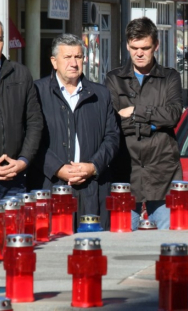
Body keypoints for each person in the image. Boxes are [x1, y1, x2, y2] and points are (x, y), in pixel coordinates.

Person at [27, 34, 119, 229]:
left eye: (78, 57)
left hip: (92, 190)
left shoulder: (100, 94)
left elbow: (112, 138)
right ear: (54, 61)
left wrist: (93, 166)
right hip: (50, 187)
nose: (73, 63)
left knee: (92, 250)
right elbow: (30, 140)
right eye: (67, 57)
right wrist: (58, 168)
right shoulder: (36, 92)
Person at [106, 17, 183, 229]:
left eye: (145, 48)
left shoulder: (170, 77)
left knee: (172, 241)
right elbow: (112, 123)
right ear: (128, 46)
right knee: (123, 242)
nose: (139, 53)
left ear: (155, 46)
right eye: (134, 47)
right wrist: (153, 124)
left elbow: (173, 116)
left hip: (163, 172)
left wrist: (135, 111)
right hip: (125, 172)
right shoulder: (114, 79)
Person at [0, 16, 43, 206]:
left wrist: (23, 160)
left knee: (14, 233)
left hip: (15, 179)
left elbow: (34, 122)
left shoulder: (20, 74)